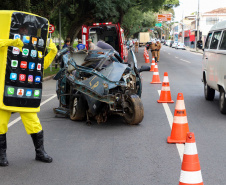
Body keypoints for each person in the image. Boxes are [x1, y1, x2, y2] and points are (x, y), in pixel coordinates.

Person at [0, 38, 57, 166]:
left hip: (25, 94)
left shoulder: (32, 49)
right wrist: (10, 42)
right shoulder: (5, 46)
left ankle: (40, 152)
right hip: (4, 93)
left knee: (34, 124)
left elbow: (41, 66)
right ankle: (1, 155)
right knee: (0, 124)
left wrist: (52, 51)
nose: (25, 32)